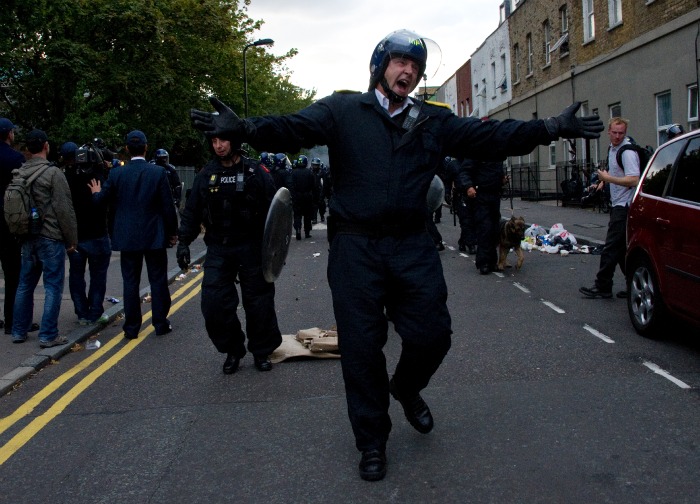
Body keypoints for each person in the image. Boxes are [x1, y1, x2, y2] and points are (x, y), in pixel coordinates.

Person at [190, 28, 603, 482]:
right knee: (363, 350)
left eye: (416, 66)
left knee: (434, 336)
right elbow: (293, 127)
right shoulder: (344, 109)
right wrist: (246, 129)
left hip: (411, 245)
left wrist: (549, 128)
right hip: (354, 249)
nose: (408, 71)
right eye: (400, 61)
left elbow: (491, 137)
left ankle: (406, 387)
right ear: (379, 66)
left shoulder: (433, 120)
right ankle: (372, 440)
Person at [176, 132, 282, 374]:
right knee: (213, 303)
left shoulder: (256, 172)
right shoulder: (206, 174)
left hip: (251, 247)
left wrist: (275, 249)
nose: (218, 146)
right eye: (213, 141)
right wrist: (183, 241)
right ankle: (233, 349)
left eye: (222, 140)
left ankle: (261, 350)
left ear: (234, 142)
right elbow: (192, 211)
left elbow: (277, 210)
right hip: (219, 248)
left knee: (259, 302)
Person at [89, 130, 178, 340]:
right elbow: (168, 207)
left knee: (130, 283)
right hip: (154, 236)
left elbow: (101, 201)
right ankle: (160, 323)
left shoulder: (117, 174)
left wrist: (95, 193)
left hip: (127, 236)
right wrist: (172, 233)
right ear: (146, 148)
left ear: (127, 149)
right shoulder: (157, 173)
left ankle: (131, 328)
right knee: (158, 280)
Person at [11, 130, 78, 347]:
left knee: (24, 285)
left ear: (28, 149)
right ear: (46, 146)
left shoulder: (20, 172)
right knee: (52, 286)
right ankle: (48, 335)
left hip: (27, 236)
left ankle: (19, 331)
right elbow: (64, 210)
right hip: (50, 236)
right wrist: (71, 239)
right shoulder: (53, 174)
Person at [580, 117, 641, 299]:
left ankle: (603, 285)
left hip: (625, 207)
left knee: (610, 248)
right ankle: (633, 285)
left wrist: (608, 180)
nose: (617, 136)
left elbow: (634, 179)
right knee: (622, 250)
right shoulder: (613, 149)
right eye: (614, 132)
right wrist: (601, 183)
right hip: (617, 205)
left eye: (621, 133)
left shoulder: (627, 152)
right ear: (608, 132)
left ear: (625, 132)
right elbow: (615, 173)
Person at [63, 141, 112, 325]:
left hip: (76, 236)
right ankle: (95, 312)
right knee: (98, 276)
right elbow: (106, 203)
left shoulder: (66, 179)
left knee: (76, 276)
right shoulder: (98, 177)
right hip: (98, 234)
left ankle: (82, 313)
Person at [459, 157, 507, 274]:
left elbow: (498, 171)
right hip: (481, 195)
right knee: (485, 228)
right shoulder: (477, 150)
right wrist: (469, 186)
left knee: (495, 229)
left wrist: (502, 179)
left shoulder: (496, 152)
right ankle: (483, 262)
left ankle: (492, 261)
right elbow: (465, 171)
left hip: (494, 194)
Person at [0, 118, 26, 334]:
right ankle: (12, 321)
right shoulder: (15, 159)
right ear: (9, 134)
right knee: (12, 274)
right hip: (9, 222)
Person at [290, 154, 315, 240]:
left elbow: (291, 186)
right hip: (307, 196)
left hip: (297, 196)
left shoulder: (293, 172)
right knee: (307, 215)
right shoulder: (309, 172)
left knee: (297, 214)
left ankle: (298, 230)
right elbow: (313, 185)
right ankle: (307, 232)